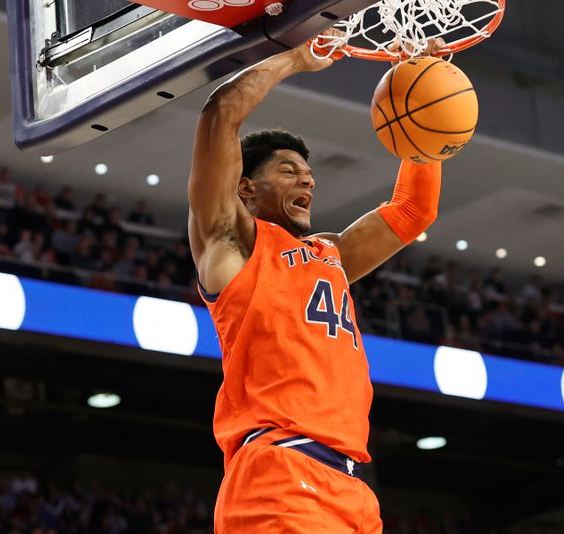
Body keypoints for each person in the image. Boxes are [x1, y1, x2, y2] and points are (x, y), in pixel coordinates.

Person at [187, 36, 443, 533]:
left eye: (308, 175)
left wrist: (423, 119)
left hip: (351, 490)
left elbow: (413, 211)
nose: (307, 182)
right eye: (288, 171)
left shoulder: (330, 255)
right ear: (245, 188)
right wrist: (297, 59)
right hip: (278, 472)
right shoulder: (232, 242)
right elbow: (220, 113)